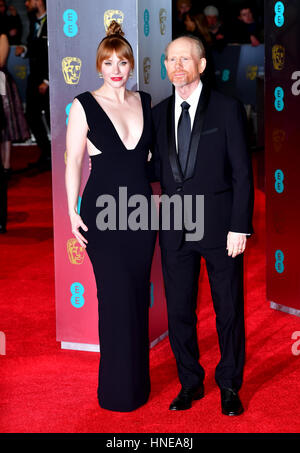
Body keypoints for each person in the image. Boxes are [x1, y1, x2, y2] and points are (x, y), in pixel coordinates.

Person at [151, 35, 254, 415]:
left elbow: (243, 172)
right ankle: (190, 383)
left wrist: (239, 226)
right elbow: (152, 168)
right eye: (170, 60)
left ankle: (229, 383)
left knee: (228, 308)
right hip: (175, 228)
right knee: (179, 310)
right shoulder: (158, 112)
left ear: (201, 65)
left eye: (184, 60)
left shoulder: (227, 109)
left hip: (220, 229)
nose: (176, 67)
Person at [65, 21, 156, 412]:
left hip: (141, 215)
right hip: (102, 214)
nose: (116, 69)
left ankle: (138, 384)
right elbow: (73, 162)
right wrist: (72, 210)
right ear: (98, 66)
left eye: (122, 62)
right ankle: (117, 391)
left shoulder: (145, 101)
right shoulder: (84, 104)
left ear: (131, 65)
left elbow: (150, 157)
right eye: (109, 62)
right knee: (115, 299)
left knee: (136, 297)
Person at [15, 0, 51, 170]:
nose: (26, 3)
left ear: (39, 2)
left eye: (29, 0)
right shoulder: (33, 22)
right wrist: (24, 51)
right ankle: (46, 152)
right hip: (33, 78)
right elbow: (35, 48)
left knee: (53, 119)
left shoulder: (53, 22)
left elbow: (56, 52)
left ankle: (58, 155)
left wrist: (47, 81)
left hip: (49, 80)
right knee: (31, 115)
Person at [0, 27, 30, 176]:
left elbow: (0, 62)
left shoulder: (2, 37)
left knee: (6, 124)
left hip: (1, 83)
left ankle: (6, 165)